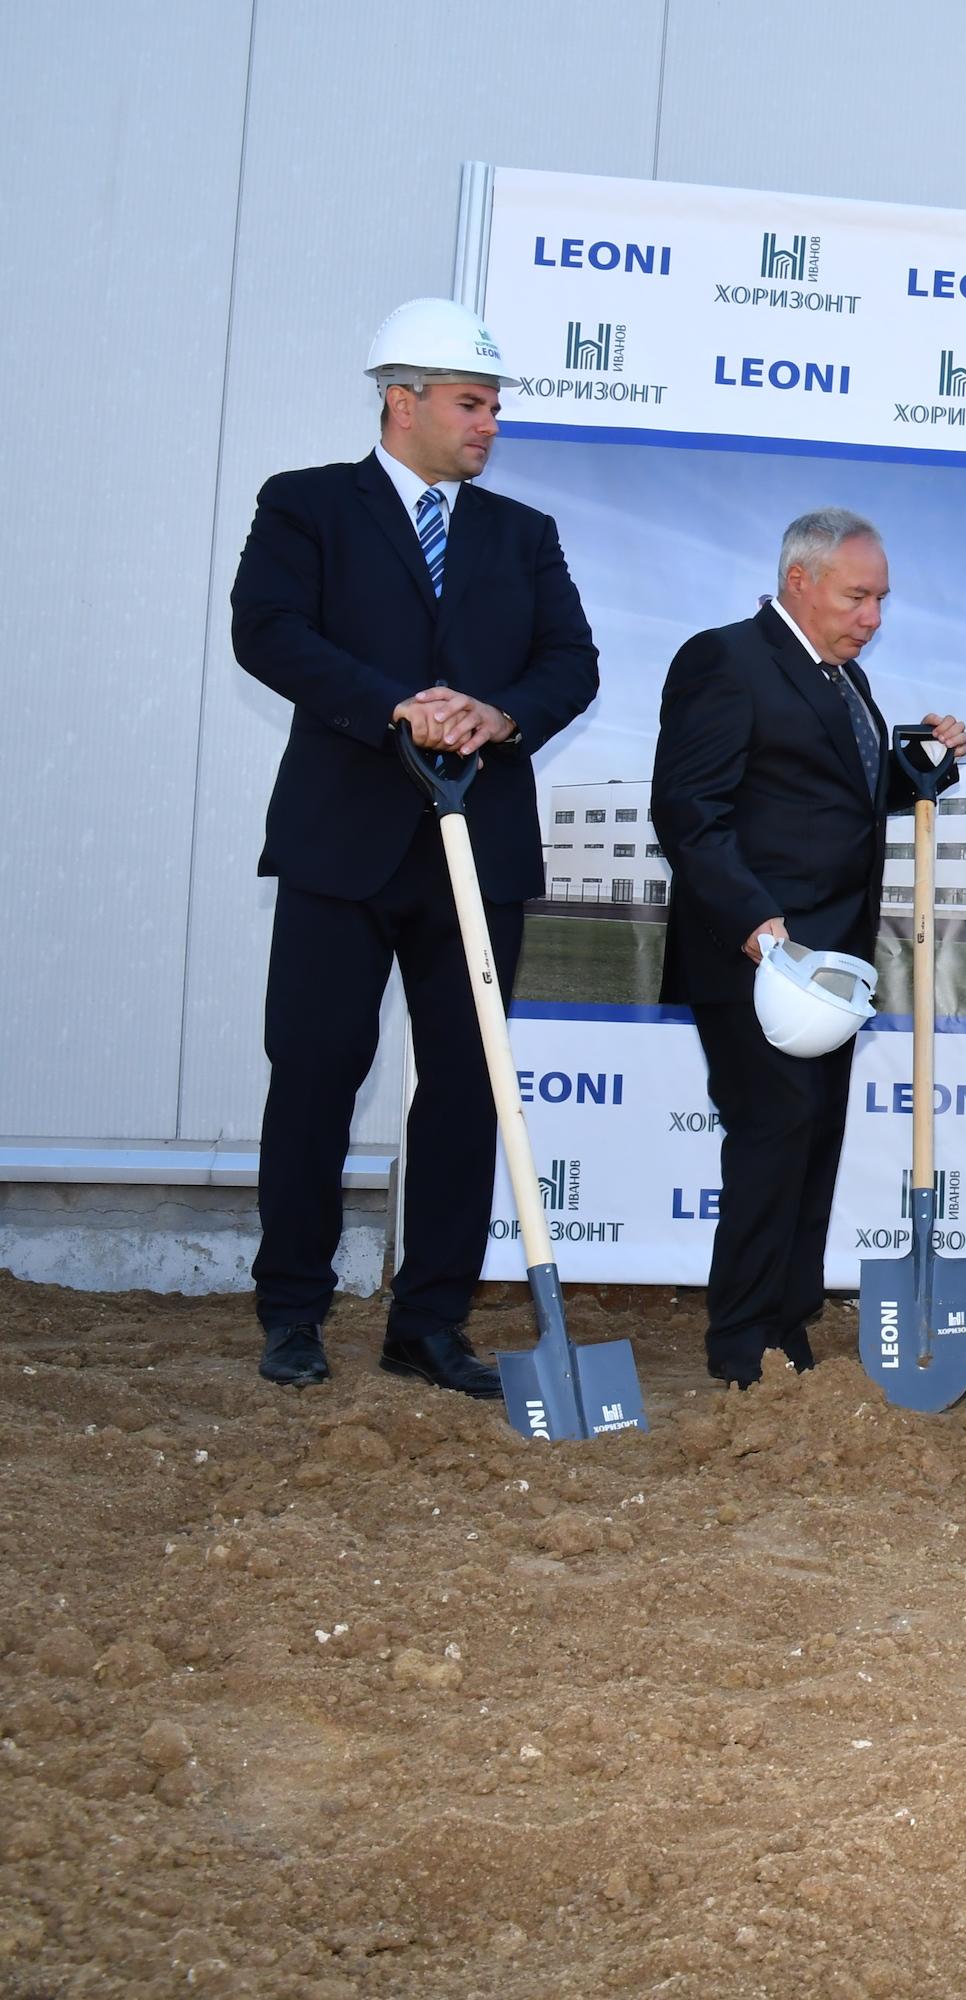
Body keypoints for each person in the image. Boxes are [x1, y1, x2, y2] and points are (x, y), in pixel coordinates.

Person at [232, 299, 602, 1396]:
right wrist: (395, 704)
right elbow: (268, 631)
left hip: (477, 852)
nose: (490, 424)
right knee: (313, 1077)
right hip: (340, 846)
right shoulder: (306, 504)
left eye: (495, 406)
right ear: (403, 401)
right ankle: (292, 1312)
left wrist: (498, 713)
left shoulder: (522, 532)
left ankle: (429, 1324)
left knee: (466, 1092)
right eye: (471, 403)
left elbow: (572, 661)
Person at [650, 509, 966, 1388]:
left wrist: (927, 767)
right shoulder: (724, 659)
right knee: (774, 1135)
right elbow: (688, 810)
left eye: (882, 599)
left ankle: (788, 1326)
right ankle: (742, 1344)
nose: (873, 616)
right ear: (800, 580)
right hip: (757, 960)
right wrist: (757, 925)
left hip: (831, 968)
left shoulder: (845, 679)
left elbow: (842, 794)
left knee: (812, 1137)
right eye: (857, 596)